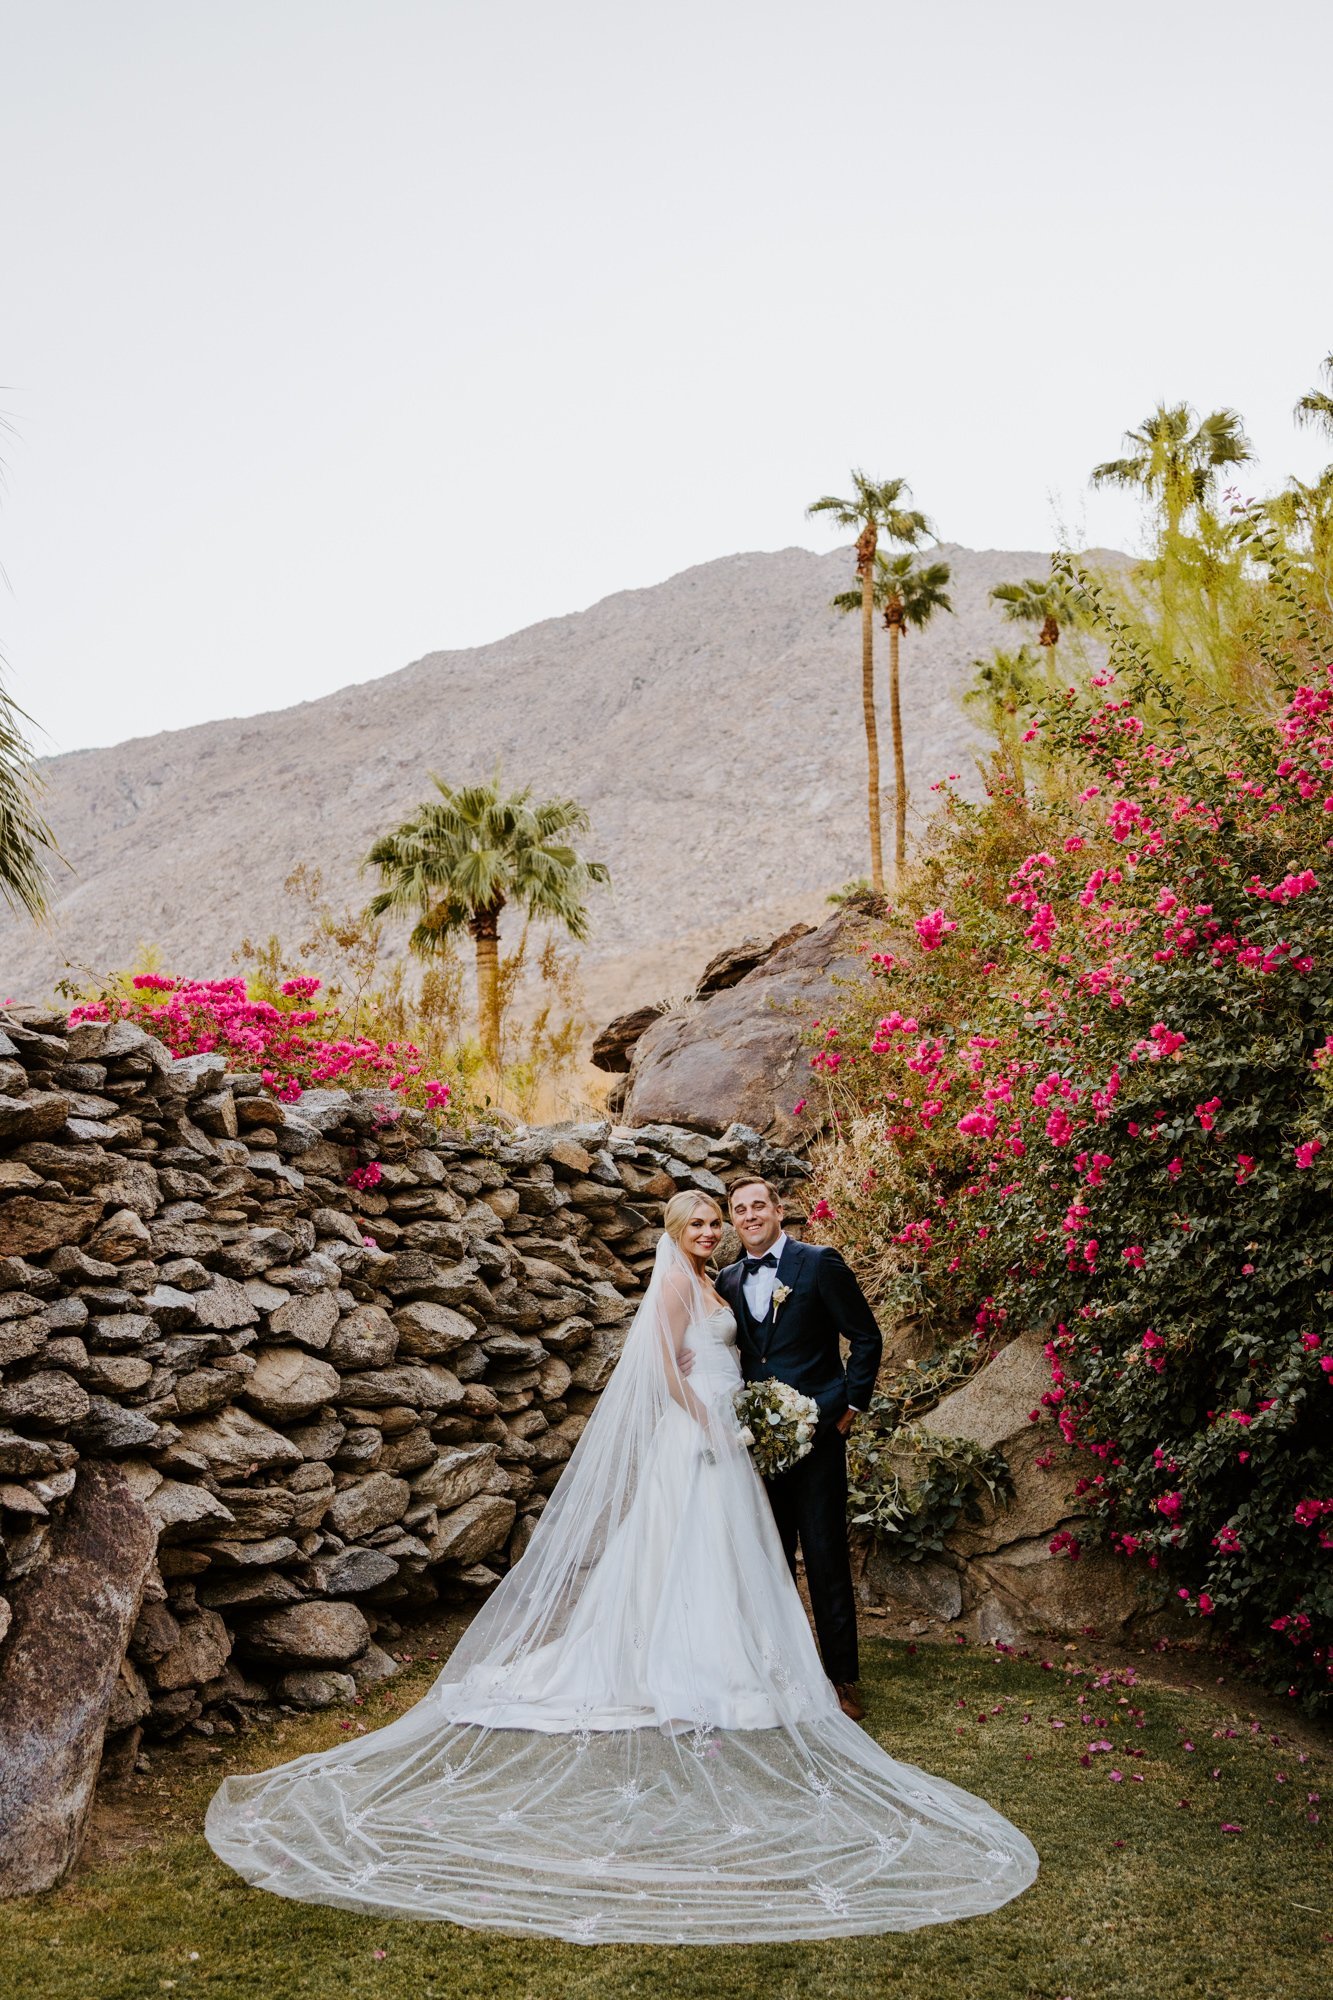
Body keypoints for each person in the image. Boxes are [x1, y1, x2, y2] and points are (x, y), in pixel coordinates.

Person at [206, 1191, 1037, 1946]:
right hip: (715, 1437)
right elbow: (671, 1370)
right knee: (710, 1552)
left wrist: (836, 1408)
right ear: (682, 1233)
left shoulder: (791, 1269)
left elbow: (854, 1338)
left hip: (790, 1433)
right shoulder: (689, 1283)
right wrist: (714, 1427)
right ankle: (710, 1658)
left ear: (769, 1213)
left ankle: (834, 1677)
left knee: (807, 1559)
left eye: (735, 1213)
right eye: (709, 1219)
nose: (722, 1226)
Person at [709, 1176, 881, 1721]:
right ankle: (778, 1671)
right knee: (769, 1558)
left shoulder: (819, 1262)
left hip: (819, 1434)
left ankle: (841, 1680)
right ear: (733, 1221)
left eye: (758, 1205)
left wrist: (847, 1409)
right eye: (739, 1210)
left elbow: (865, 1336)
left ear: (779, 1210)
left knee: (826, 1555)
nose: (749, 1216)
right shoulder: (728, 1279)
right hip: (755, 1444)